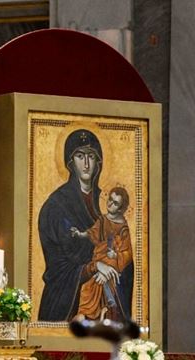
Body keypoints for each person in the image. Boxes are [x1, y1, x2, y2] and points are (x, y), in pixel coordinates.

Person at [37, 129, 134, 321]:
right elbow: (58, 265)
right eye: (80, 156)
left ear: (99, 161)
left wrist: (113, 263)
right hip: (67, 298)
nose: (87, 164)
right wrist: (94, 266)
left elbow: (125, 251)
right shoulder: (57, 205)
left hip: (109, 293)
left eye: (91, 156)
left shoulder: (108, 201)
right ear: (70, 162)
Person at [70, 186, 133, 321]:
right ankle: (100, 310)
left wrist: (116, 256)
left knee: (95, 283)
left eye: (115, 203)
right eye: (110, 199)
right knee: (88, 286)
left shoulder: (123, 228)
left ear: (121, 208)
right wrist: (80, 234)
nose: (110, 203)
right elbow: (92, 231)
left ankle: (108, 305)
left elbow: (127, 253)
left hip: (114, 262)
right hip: (101, 258)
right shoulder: (103, 220)